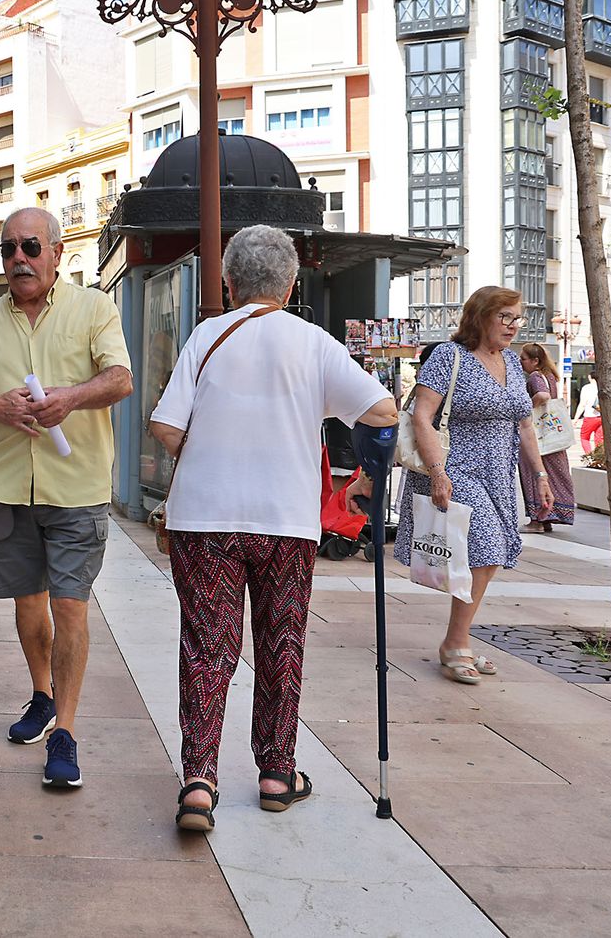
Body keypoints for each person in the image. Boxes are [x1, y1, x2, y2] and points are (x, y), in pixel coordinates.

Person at [151, 226, 396, 833]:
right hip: (286, 521)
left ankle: (198, 782)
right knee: (282, 642)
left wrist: (213, 447)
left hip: (206, 519)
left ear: (230, 282)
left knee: (208, 646)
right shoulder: (313, 343)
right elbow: (381, 409)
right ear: (290, 286)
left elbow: (166, 427)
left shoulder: (207, 337)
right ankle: (277, 774)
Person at [0, 208, 132, 790]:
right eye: (8, 249)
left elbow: (120, 378)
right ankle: (42, 695)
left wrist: (70, 398)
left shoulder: (93, 307)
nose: (18, 259)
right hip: (6, 488)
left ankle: (64, 733)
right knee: (28, 605)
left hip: (75, 487)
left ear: (55, 251)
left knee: (69, 607)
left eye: (29, 247)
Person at [395, 286, 553, 686]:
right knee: (487, 547)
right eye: (505, 317)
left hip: (498, 473)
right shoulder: (450, 357)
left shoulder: (512, 362)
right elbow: (422, 416)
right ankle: (455, 643)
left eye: (517, 318)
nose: (513, 326)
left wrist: (540, 475)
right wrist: (437, 473)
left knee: (489, 555)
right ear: (480, 316)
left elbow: (524, 424)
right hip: (456, 466)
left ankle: (457, 639)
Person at [518, 344, 576, 533]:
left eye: (523, 358)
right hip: (552, 436)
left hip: (537, 436)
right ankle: (548, 517)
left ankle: (537, 521)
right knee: (555, 475)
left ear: (535, 361)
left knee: (534, 473)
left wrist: (527, 409)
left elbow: (543, 395)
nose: (520, 362)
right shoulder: (549, 376)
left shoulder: (535, 376)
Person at [574, 372, 601, 453]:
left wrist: (576, 418)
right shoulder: (602, 387)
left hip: (590, 416)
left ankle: (589, 455)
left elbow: (582, 404)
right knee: (599, 439)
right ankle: (599, 456)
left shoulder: (586, 388)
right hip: (601, 417)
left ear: (590, 377)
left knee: (584, 437)